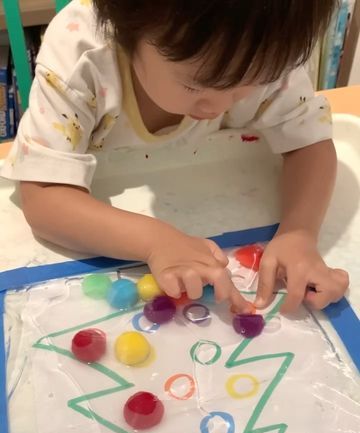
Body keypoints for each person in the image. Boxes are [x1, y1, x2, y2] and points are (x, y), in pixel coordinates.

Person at [1, 0, 349, 312]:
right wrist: (155, 241)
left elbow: (310, 142)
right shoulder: (82, 55)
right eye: (194, 85)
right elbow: (43, 197)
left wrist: (299, 233)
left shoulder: (265, 45)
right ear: (127, 28)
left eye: (252, 82)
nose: (219, 106)